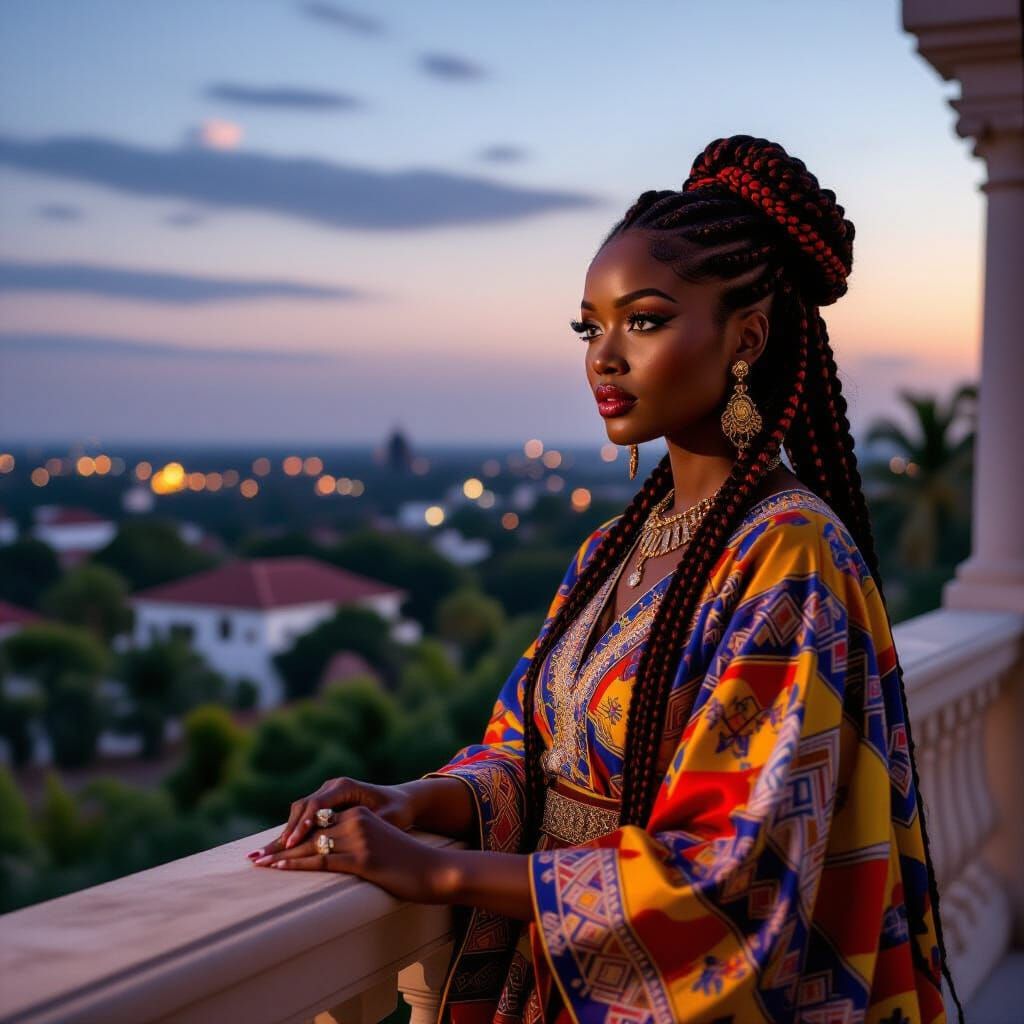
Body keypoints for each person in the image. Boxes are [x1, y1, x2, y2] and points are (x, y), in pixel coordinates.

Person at [246, 135, 964, 1024]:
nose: (604, 356)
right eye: (590, 327)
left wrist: (437, 872)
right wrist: (414, 799)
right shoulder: (610, 550)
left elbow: (732, 868)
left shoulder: (790, 553)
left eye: (645, 320)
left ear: (746, 337)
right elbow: (533, 757)